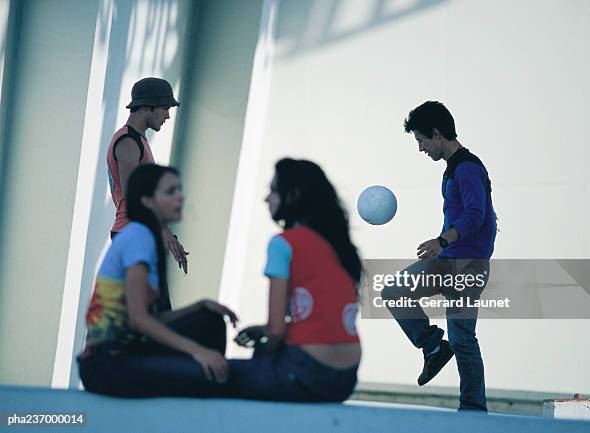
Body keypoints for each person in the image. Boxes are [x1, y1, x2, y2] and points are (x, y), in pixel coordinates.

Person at [78, 164, 238, 397]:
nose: (180, 196)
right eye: (170, 191)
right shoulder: (139, 236)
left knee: (209, 319)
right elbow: (138, 320)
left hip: (130, 350)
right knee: (210, 373)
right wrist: (199, 352)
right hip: (106, 363)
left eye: (179, 190)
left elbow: (151, 318)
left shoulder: (147, 238)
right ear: (147, 201)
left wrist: (198, 305)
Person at [382, 101, 497, 412]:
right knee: (393, 290)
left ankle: (473, 408)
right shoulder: (451, 170)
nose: (420, 148)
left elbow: (476, 215)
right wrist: (443, 244)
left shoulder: (468, 167)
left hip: (466, 266)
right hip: (448, 261)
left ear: (436, 134)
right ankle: (432, 344)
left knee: (463, 340)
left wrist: (443, 241)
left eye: (421, 140)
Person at [227, 158, 362, 402]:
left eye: (273, 190)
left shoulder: (283, 243)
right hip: (346, 379)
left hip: (307, 372)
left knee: (217, 373)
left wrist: (267, 339)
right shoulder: (340, 249)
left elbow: (276, 332)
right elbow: (325, 318)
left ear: (293, 195)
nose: (266, 198)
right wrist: (266, 331)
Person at [107, 77, 188, 273]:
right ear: (148, 107)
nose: (168, 116)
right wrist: (165, 233)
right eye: (165, 108)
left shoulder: (137, 140)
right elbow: (134, 197)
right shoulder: (128, 141)